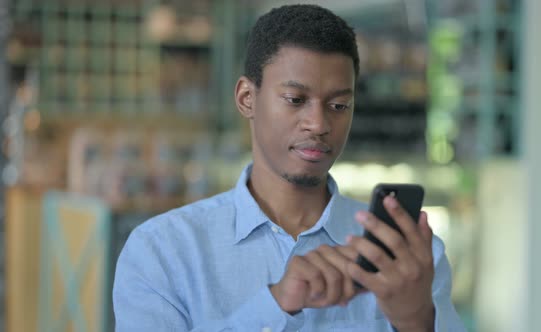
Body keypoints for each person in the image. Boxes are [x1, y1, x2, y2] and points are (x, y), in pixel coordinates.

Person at [113, 4, 466, 332]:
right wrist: (275, 305)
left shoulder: (409, 261)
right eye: (296, 100)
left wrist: (415, 320)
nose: (318, 123)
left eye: (339, 105)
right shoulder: (162, 251)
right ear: (246, 99)